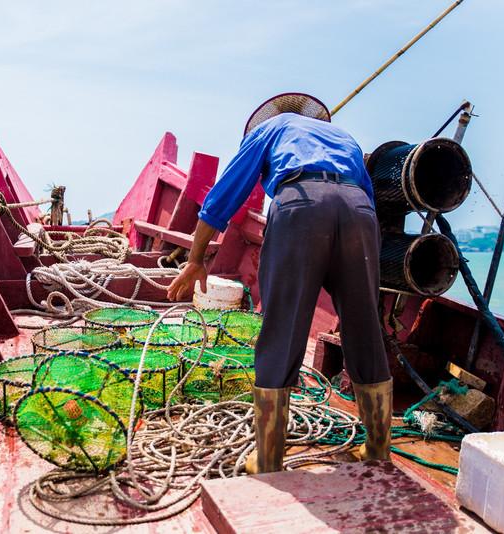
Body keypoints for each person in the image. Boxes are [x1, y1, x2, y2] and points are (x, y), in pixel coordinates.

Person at [166, 93, 392, 473]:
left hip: (301, 206)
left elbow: (224, 195)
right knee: (365, 326)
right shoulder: (345, 137)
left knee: (282, 326)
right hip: (359, 213)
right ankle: (378, 448)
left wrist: (194, 259)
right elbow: (367, 198)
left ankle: (270, 456)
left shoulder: (270, 129)